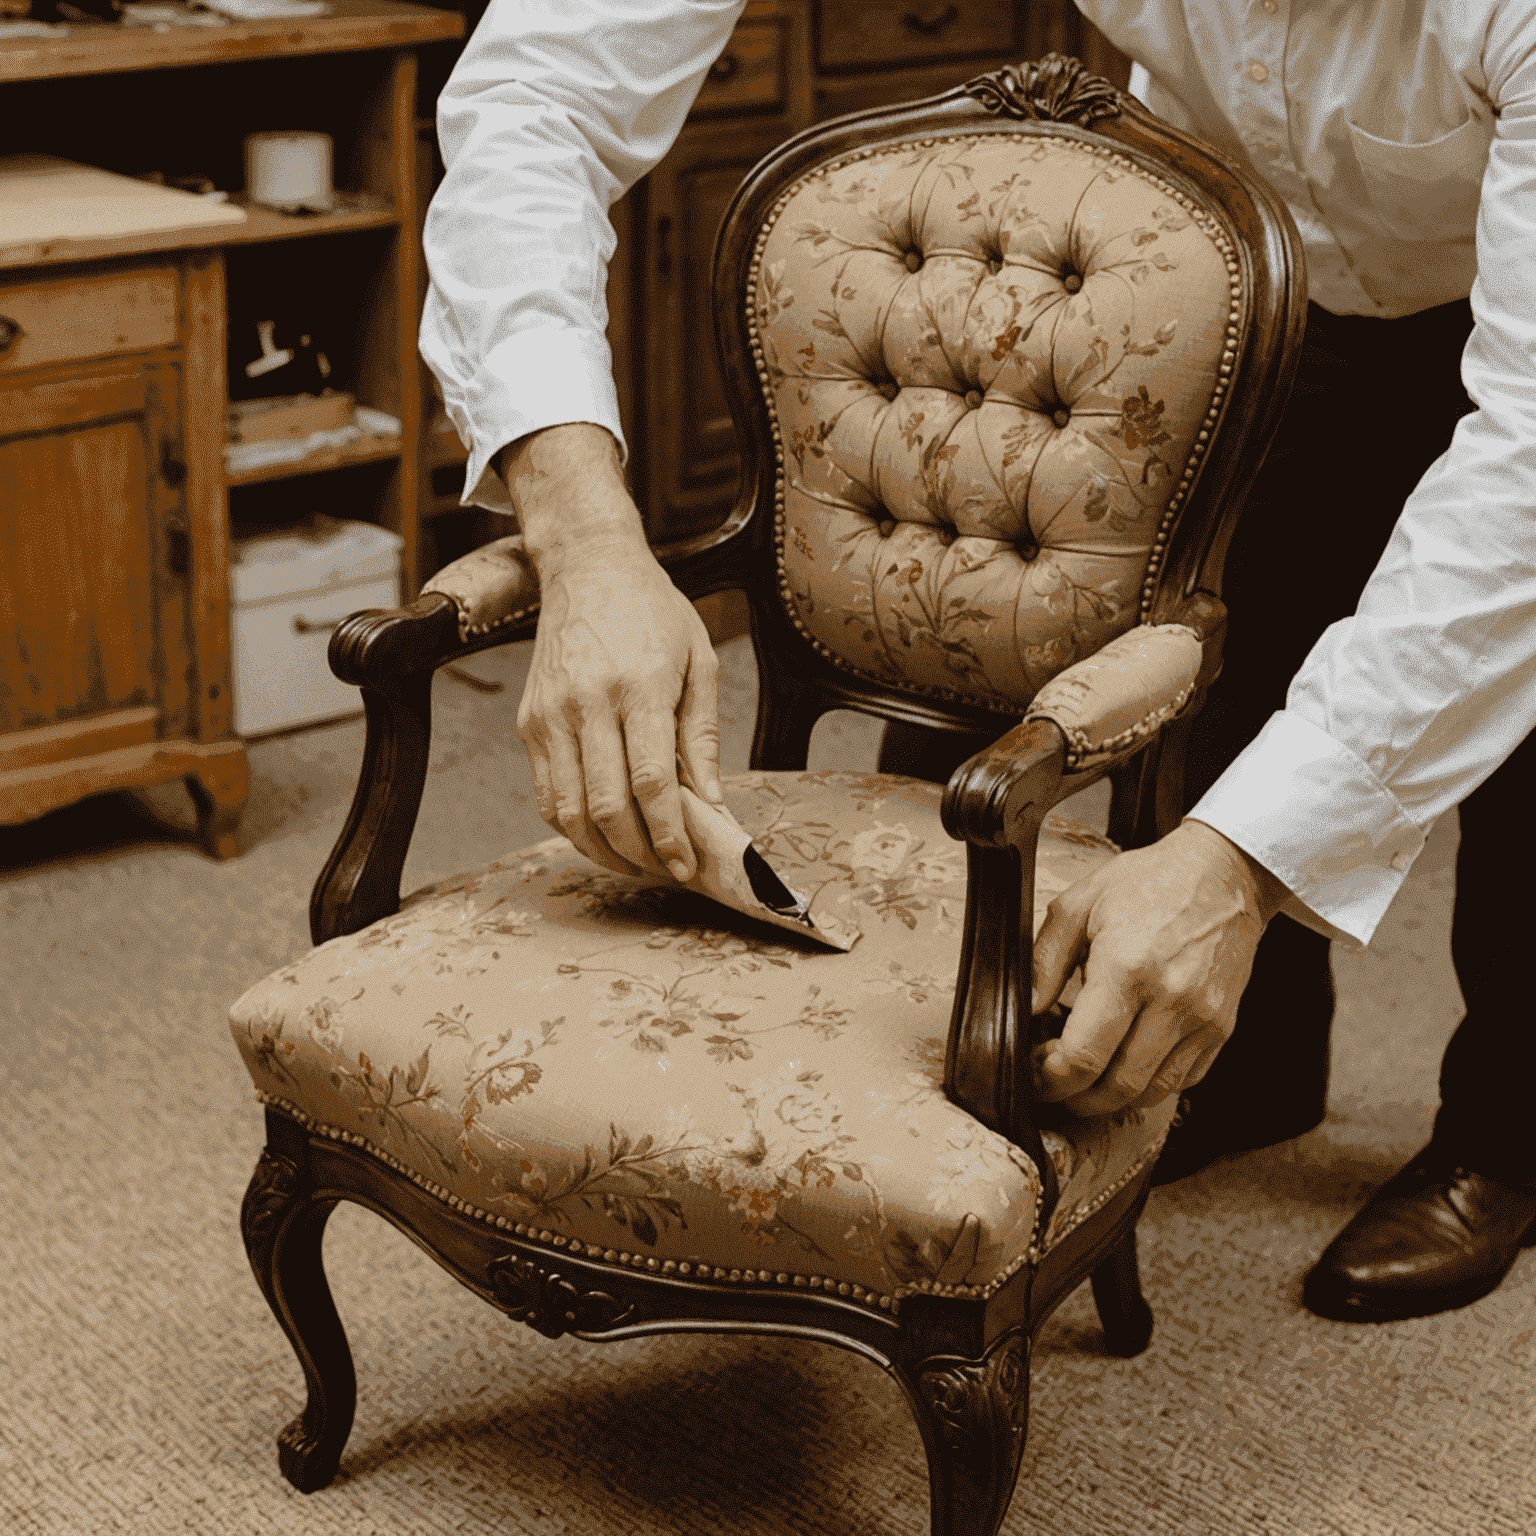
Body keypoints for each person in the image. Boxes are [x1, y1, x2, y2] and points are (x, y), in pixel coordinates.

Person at [420, 0, 1536, 1323]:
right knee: (1186, 653)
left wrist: (1241, 868)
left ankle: (1508, 1137)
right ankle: (1253, 1061)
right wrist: (588, 539)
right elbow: (537, 89)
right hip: (1234, 268)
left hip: (1497, 305)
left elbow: (1523, 477)